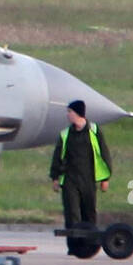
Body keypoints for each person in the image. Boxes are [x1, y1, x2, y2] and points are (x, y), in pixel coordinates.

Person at [49, 99, 113, 255]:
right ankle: (74, 247)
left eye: (70, 112)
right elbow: (58, 157)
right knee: (72, 214)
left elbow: (103, 154)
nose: (68, 115)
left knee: (89, 213)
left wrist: (105, 179)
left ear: (78, 114)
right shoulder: (65, 134)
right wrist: (55, 178)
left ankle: (90, 246)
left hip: (89, 179)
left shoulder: (94, 131)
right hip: (70, 180)